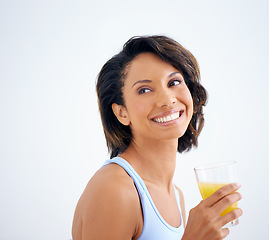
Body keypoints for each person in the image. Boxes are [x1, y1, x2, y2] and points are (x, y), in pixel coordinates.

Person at [72, 35, 243, 240]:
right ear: (121, 112)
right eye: (144, 90)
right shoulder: (115, 188)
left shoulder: (176, 196)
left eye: (174, 82)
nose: (167, 100)